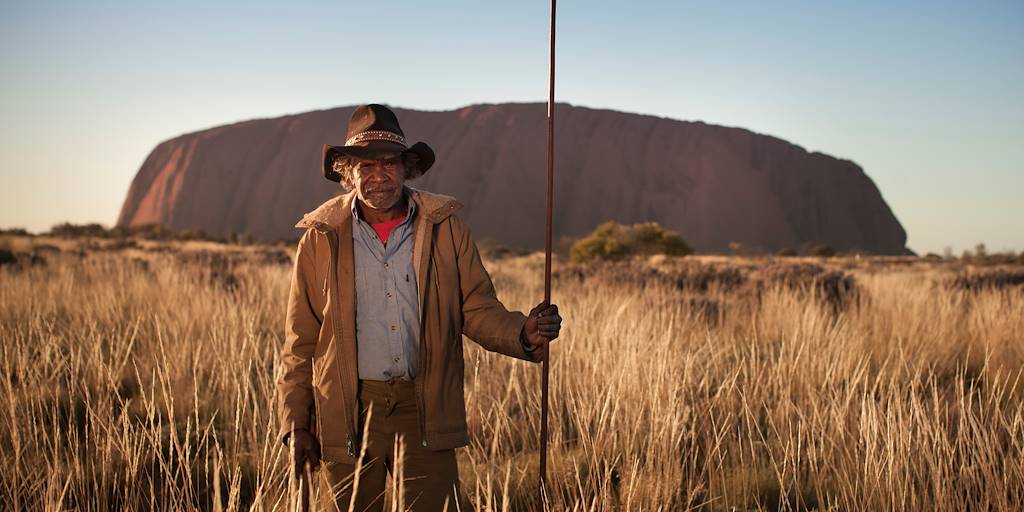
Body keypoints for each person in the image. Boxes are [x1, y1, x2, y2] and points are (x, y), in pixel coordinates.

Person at [277, 104, 562, 511]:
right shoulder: (321, 238)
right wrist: (296, 423)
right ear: (347, 171)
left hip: (423, 406)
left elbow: (476, 308)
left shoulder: (444, 228)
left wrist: (523, 333)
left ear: (407, 167)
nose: (379, 175)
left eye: (390, 163)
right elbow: (301, 342)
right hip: (347, 410)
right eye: (365, 165)